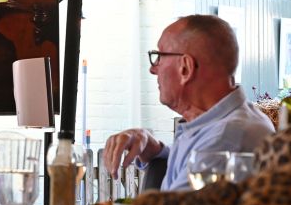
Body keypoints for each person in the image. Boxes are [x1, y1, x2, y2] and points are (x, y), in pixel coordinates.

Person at [103, 14, 274, 191]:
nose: (153, 69)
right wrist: (155, 151)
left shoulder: (226, 138)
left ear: (185, 68)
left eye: (159, 56)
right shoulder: (221, 125)